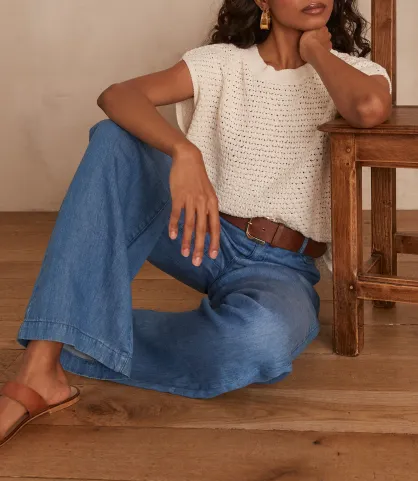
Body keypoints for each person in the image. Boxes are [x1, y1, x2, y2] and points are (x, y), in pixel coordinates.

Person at [0, 0, 392, 447]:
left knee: (259, 340)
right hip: (200, 231)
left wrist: (317, 50)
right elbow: (118, 95)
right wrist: (184, 152)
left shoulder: (354, 74)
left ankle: (76, 335)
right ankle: (40, 367)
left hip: (281, 267)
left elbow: (367, 109)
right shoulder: (221, 63)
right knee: (113, 139)